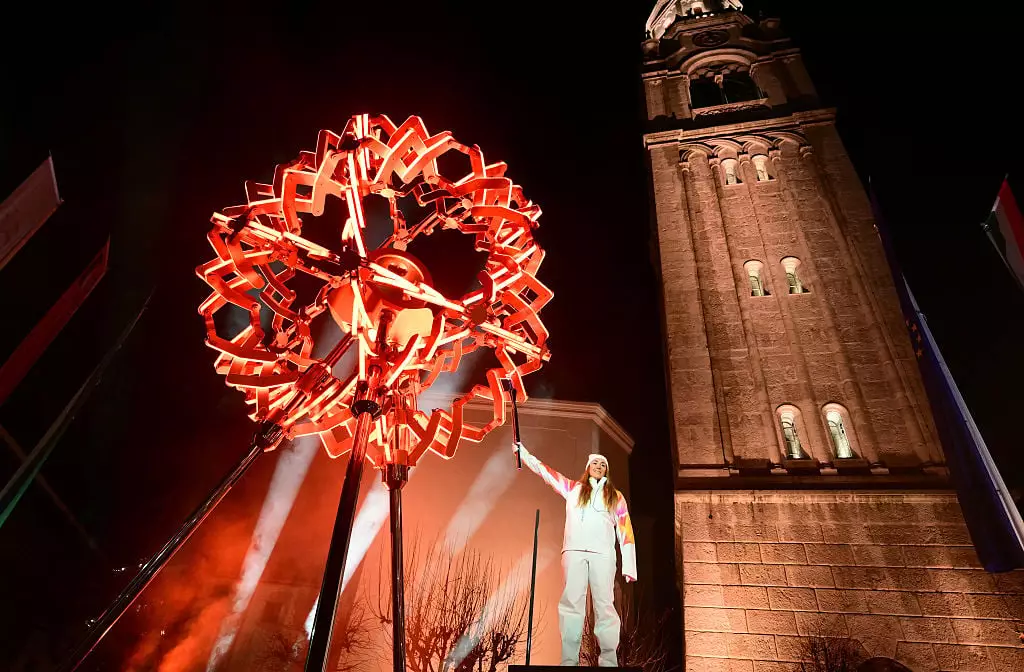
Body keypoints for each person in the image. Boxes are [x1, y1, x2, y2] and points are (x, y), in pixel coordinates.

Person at [515, 441, 637, 667]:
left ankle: (609, 661)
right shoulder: (573, 489)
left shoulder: (615, 497)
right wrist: (525, 454)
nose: (599, 466)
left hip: (603, 555)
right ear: (588, 467)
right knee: (571, 605)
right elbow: (547, 473)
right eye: (595, 463)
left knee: (605, 605)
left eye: (603, 464)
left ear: (606, 470)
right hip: (574, 552)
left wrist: (629, 565)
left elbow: (625, 530)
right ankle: (569, 660)